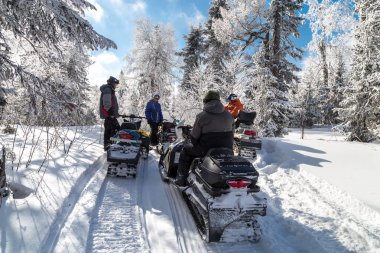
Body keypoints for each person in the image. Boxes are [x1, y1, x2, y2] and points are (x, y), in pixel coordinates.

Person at [175, 90, 234, 186]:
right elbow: (232, 133)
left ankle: (181, 178)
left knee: (186, 149)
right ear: (219, 101)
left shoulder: (202, 116)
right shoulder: (229, 115)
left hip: (206, 151)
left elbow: (194, 138)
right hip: (227, 150)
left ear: (206, 101)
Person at [99, 76, 120, 150]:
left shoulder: (110, 89)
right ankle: (108, 147)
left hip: (110, 114)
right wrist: (110, 113)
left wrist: (115, 114)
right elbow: (106, 102)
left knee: (114, 130)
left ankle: (112, 146)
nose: (116, 85)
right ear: (112, 83)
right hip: (109, 115)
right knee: (111, 130)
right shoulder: (108, 89)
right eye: (115, 84)